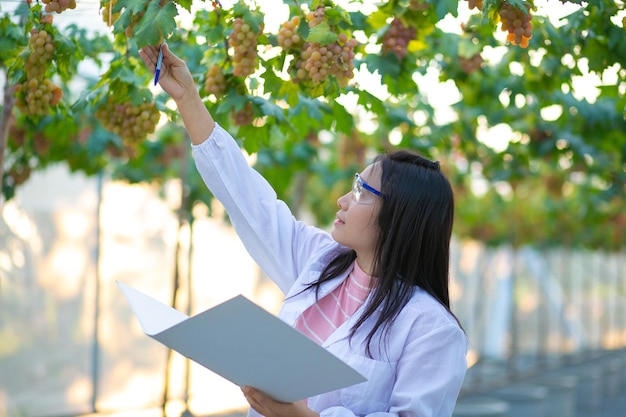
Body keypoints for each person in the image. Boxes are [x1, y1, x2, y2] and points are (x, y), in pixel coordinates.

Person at [139, 43, 467, 417]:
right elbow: (249, 201)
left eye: (362, 191)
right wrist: (188, 99)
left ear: (400, 217)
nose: (343, 199)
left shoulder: (430, 330)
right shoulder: (320, 262)